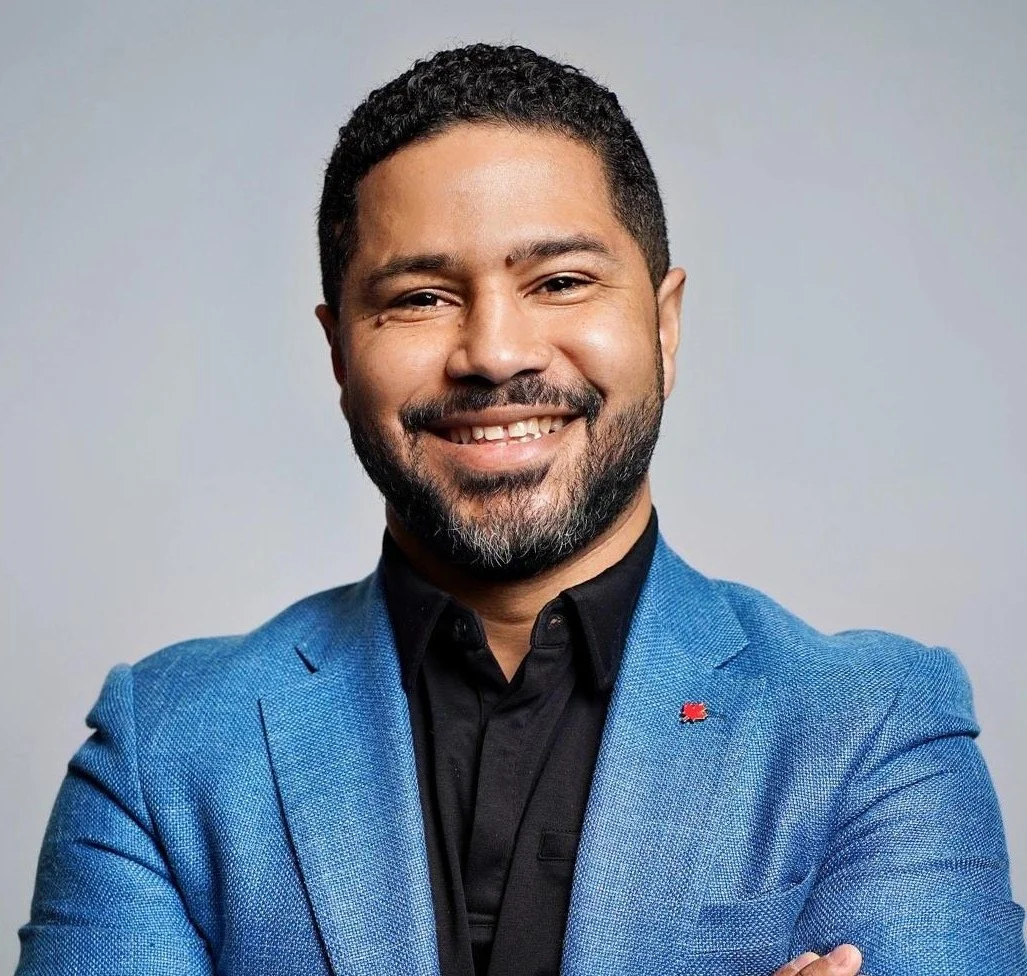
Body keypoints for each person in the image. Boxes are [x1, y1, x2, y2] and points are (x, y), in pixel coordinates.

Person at [16, 43, 1026, 976]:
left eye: (559, 280)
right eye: (419, 297)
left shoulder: (873, 733)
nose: (495, 351)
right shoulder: (165, 754)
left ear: (664, 325)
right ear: (336, 350)